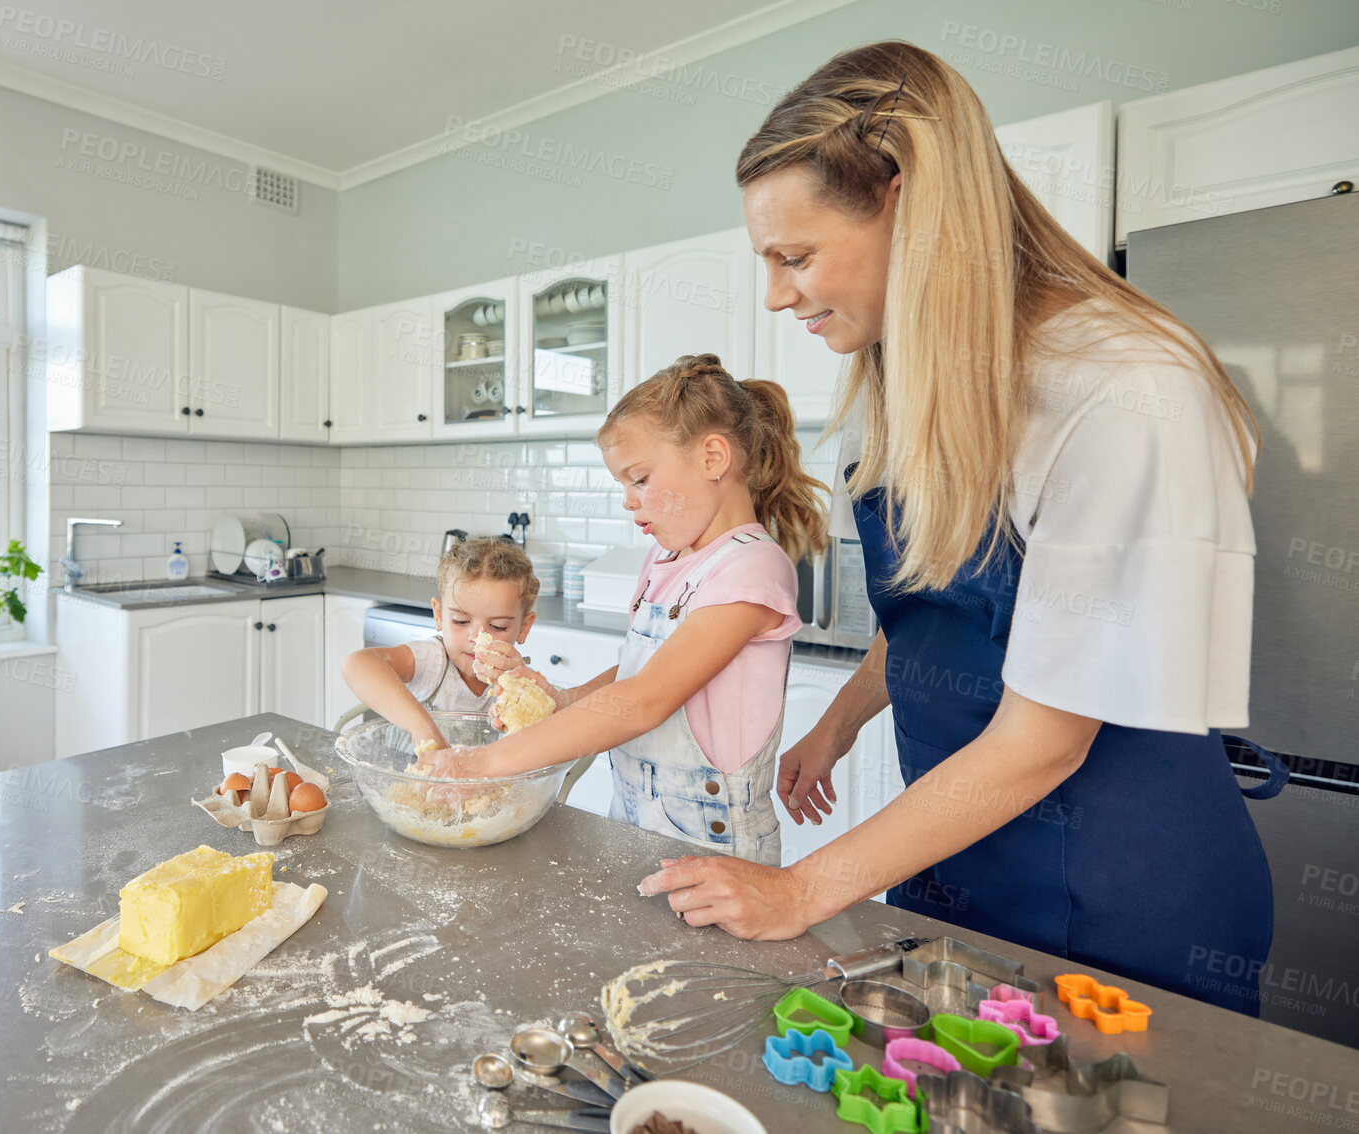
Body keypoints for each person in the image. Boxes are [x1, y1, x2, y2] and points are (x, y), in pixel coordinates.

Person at [637, 40, 1280, 1015]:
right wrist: (841, 722)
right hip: (955, 864)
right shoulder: (900, 392)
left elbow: (1048, 739)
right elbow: (944, 612)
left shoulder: (1121, 387)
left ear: (908, 201)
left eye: (796, 256)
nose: (776, 294)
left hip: (1117, 899)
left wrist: (803, 888)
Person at [421, 353, 826, 867]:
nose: (628, 502)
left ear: (713, 458)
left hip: (715, 850)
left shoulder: (751, 569)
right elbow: (644, 667)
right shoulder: (665, 558)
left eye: (639, 478)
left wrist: (482, 764)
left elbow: (643, 700)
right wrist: (565, 699)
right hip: (636, 825)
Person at [340, 536, 541, 754]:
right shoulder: (433, 662)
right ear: (439, 616)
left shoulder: (519, 680)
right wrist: (422, 728)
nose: (476, 637)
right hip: (413, 783)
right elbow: (356, 665)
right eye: (461, 622)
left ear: (523, 627)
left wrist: (520, 693)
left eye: (498, 626)